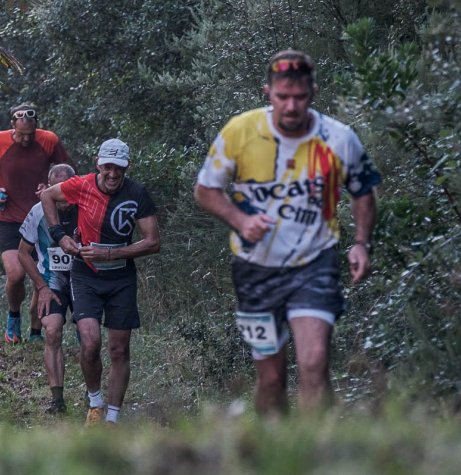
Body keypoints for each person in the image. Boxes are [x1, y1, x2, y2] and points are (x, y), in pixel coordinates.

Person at [194, 49, 381, 415]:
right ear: (268, 93)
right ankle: (274, 453)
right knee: (272, 378)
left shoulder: (339, 138)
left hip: (315, 262)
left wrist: (361, 243)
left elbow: (363, 192)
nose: (291, 106)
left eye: (300, 97)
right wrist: (241, 220)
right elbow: (205, 190)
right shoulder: (240, 131)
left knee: (314, 361)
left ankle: (318, 454)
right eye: (283, 97)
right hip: (254, 268)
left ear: (313, 93)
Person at [40, 139, 160, 425]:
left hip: (121, 278)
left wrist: (112, 252)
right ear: (98, 164)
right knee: (90, 343)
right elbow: (46, 196)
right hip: (85, 274)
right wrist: (59, 235)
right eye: (107, 167)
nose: (112, 173)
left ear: (126, 167)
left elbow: (153, 242)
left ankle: (113, 418)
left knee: (119, 349)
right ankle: (95, 403)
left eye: (118, 168)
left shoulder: (137, 193)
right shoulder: (81, 185)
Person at [0, 102, 74, 344]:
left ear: (36, 127)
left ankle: (35, 331)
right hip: (9, 218)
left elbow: (66, 169)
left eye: (30, 135)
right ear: (12, 126)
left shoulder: (49, 140)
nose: (25, 139)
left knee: (40, 274)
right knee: (15, 273)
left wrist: (51, 187)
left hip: (41, 215)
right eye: (21, 135)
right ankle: (13, 318)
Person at [18, 164, 79, 414]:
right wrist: (41, 287)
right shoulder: (37, 211)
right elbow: (23, 253)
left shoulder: (87, 206)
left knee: (88, 337)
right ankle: (57, 399)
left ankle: (92, 394)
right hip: (52, 280)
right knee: (52, 332)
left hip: (83, 279)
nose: (61, 195)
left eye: (66, 189)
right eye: (56, 189)